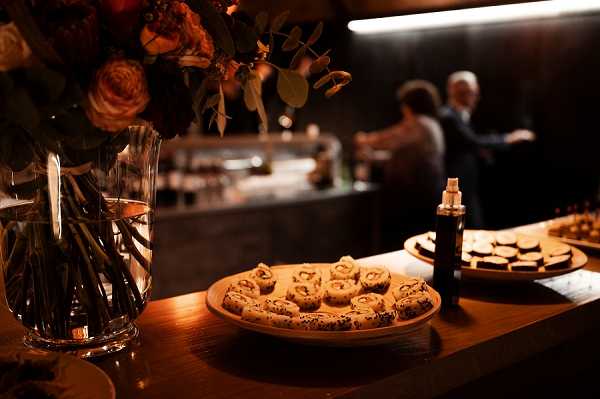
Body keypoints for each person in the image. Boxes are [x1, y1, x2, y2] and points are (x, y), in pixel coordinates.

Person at [355, 80, 446, 249]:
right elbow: (404, 156)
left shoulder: (419, 123)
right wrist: (373, 157)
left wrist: (364, 139)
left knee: (410, 243)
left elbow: (387, 139)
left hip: (416, 196)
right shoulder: (429, 123)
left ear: (408, 105)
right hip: (422, 193)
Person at [440, 71, 535, 228]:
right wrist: (508, 138)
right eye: (471, 92)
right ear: (456, 92)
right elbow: (472, 141)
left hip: (466, 182)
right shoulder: (448, 116)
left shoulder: (459, 115)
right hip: (457, 185)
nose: (475, 97)